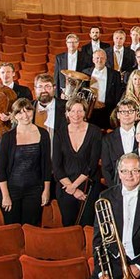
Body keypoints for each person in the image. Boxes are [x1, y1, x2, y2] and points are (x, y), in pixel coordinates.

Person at [0, 98, 51, 226]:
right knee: (13, 229)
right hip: (11, 190)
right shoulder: (7, 138)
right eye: (20, 113)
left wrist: (46, 190)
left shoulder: (43, 134)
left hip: (35, 190)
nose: (25, 116)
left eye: (28, 111)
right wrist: (5, 195)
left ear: (33, 111)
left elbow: (46, 165)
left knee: (31, 228)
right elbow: (1, 169)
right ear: (14, 116)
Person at [52, 97, 102, 227]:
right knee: (68, 225)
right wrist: (72, 189)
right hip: (65, 186)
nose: (76, 115)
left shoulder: (95, 131)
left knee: (87, 224)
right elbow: (56, 166)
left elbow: (92, 164)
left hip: (88, 185)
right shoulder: (60, 133)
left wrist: (75, 187)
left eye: (80, 111)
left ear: (85, 113)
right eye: (72, 111)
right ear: (67, 113)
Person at [101, 99, 140, 185]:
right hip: (116, 187)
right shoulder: (108, 139)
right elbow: (106, 168)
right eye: (123, 111)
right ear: (118, 115)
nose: (126, 114)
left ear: (136, 114)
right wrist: (115, 189)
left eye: (130, 111)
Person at [85, 49, 123, 130]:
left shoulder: (115, 74)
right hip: (90, 110)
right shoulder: (85, 72)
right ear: (93, 59)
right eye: (97, 58)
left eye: (102, 58)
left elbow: (117, 94)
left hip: (107, 110)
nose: (99, 60)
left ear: (106, 59)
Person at [54, 34, 92, 98]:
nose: (72, 44)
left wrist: (84, 93)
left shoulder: (86, 57)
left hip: (79, 92)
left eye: (74, 42)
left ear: (78, 43)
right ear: (66, 43)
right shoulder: (59, 58)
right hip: (64, 93)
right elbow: (56, 77)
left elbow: (87, 77)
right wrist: (57, 95)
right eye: (69, 42)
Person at [31, 73, 65, 141]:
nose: (44, 90)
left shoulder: (66, 106)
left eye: (47, 86)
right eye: (40, 87)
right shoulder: (28, 107)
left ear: (54, 87)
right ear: (35, 88)